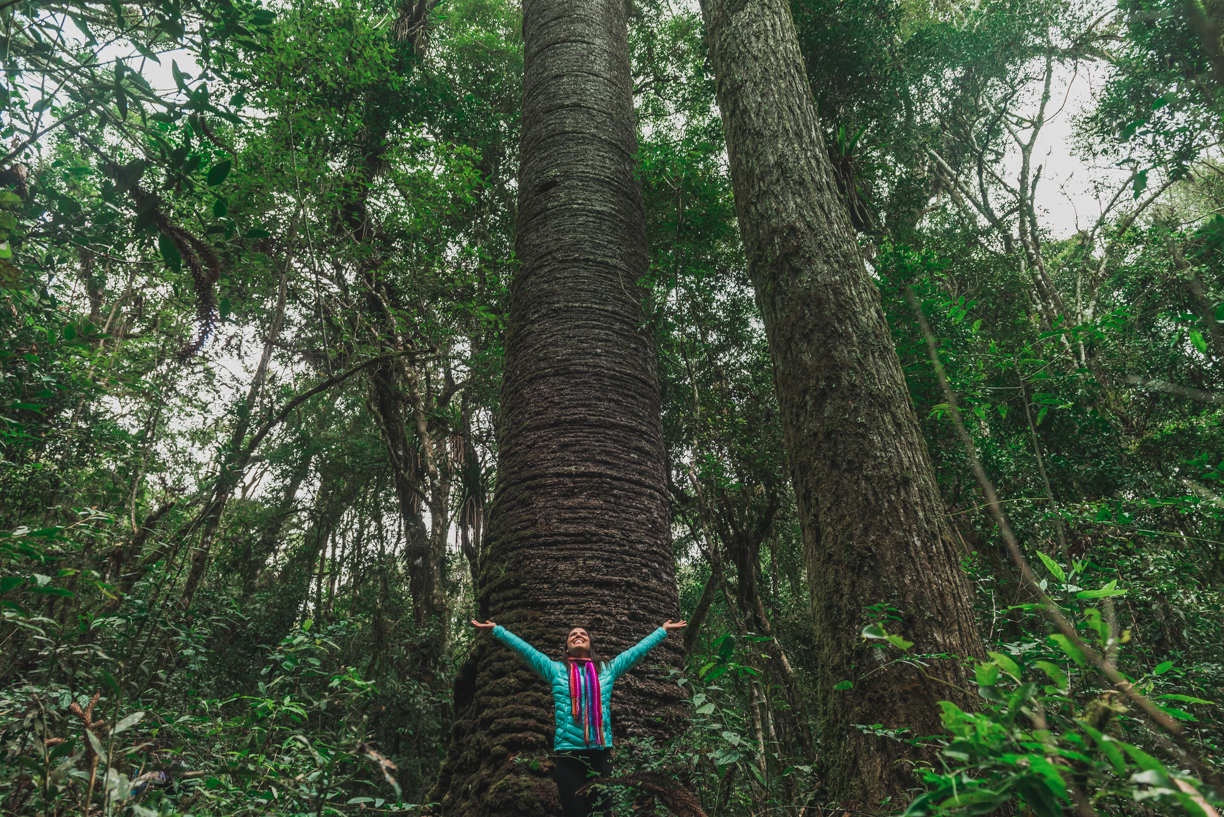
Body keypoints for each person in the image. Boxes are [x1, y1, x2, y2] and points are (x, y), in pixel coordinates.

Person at [471, 617, 687, 817]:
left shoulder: (607, 670)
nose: (578, 635)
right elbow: (526, 652)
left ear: (590, 645)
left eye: (583, 634)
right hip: (568, 755)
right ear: (567, 647)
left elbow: (635, 652)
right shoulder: (555, 670)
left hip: (600, 753)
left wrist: (662, 631)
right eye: (573, 634)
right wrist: (497, 630)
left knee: (602, 812)